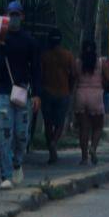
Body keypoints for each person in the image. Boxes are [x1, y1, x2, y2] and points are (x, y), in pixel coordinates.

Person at [0, 1, 41, 190]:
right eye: (11, 15)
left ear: (22, 17)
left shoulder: (29, 41)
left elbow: (36, 68)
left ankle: (18, 163)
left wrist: (37, 94)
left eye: (17, 15)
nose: (14, 19)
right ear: (6, 16)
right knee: (5, 134)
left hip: (23, 92)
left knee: (21, 134)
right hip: (4, 92)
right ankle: (6, 174)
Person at [39, 29, 76, 165]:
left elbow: (40, 74)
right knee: (60, 123)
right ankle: (54, 142)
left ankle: (51, 150)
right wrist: (69, 88)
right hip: (63, 92)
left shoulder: (45, 56)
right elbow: (73, 74)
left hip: (47, 91)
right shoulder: (68, 55)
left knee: (48, 123)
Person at [72, 40, 108, 166]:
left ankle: (84, 157)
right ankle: (93, 148)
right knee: (98, 126)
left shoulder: (77, 63)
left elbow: (74, 78)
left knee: (84, 128)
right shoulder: (100, 62)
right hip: (96, 95)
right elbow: (108, 78)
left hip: (81, 94)